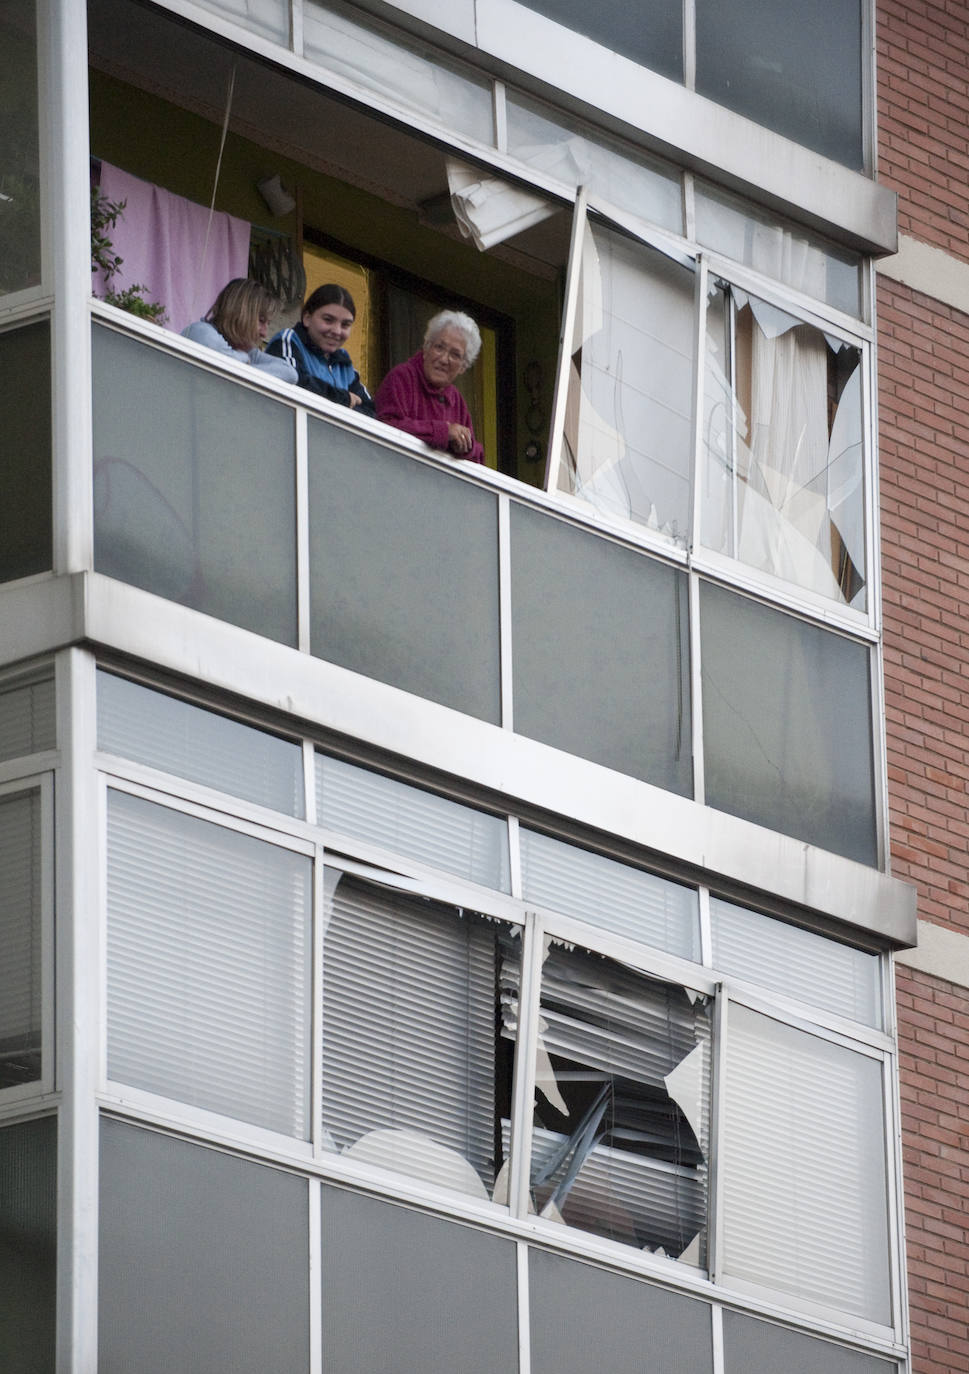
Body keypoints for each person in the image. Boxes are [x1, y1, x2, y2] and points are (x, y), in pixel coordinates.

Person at [374, 310, 484, 464]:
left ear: (463, 367)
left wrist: (465, 447)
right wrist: (443, 432)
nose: (444, 359)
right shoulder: (402, 377)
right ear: (426, 348)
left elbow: (476, 458)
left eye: (455, 355)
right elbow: (384, 427)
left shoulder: (457, 401)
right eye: (439, 347)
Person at [266, 284, 375, 415]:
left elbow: (370, 412)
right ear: (307, 318)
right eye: (328, 320)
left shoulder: (345, 366)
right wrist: (343, 399)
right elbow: (292, 380)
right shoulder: (288, 341)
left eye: (345, 325)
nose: (336, 331)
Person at [181, 279, 297, 383]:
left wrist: (244, 361)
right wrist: (244, 358)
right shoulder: (201, 332)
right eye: (261, 321)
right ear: (239, 313)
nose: (264, 333)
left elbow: (290, 373)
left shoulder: (245, 350)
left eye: (268, 324)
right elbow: (229, 368)